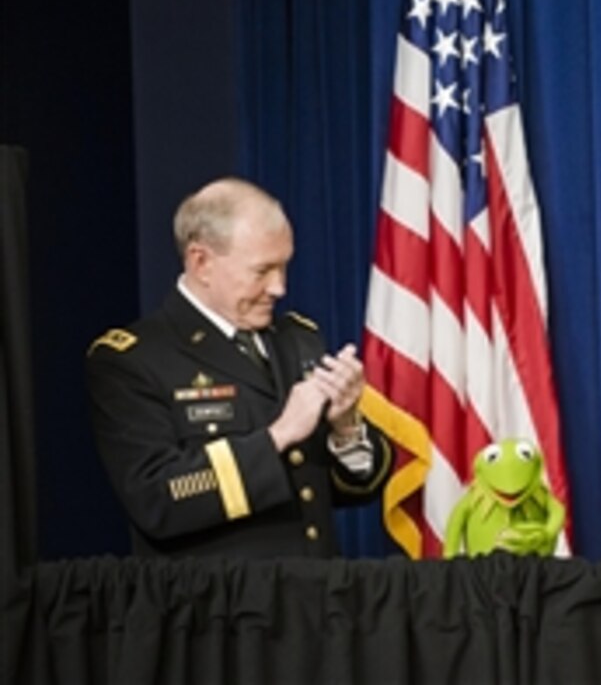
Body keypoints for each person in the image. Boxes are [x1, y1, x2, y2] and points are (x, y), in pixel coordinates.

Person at [86, 177, 391, 558]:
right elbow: (156, 500)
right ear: (202, 263)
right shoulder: (134, 360)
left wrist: (346, 428)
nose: (279, 288)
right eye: (262, 271)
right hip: (215, 608)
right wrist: (277, 436)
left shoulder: (297, 338)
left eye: (284, 267)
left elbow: (350, 488)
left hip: (318, 602)